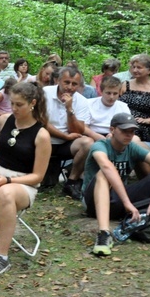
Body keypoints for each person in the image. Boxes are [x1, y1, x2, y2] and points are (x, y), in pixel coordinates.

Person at [0, 83, 51, 276]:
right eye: (12, 103)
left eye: (19, 105)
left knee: (5, 194)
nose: (14, 108)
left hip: (23, 181)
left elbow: (38, 176)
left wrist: (8, 181)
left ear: (32, 103)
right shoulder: (7, 120)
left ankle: (1, 257)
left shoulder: (42, 135)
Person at [82, 113, 150, 256]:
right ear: (112, 130)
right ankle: (104, 234)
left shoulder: (132, 147)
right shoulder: (100, 146)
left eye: (132, 131)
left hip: (119, 199)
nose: (129, 135)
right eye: (124, 131)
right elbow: (107, 167)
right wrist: (127, 202)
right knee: (103, 174)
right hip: (94, 201)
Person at [43, 66, 94, 200]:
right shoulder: (44, 93)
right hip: (43, 140)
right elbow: (41, 122)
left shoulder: (82, 101)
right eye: (66, 82)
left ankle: (71, 182)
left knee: (88, 143)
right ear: (58, 80)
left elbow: (77, 131)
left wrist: (69, 109)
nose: (69, 87)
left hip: (66, 143)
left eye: (74, 84)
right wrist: (64, 135)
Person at [119, 54, 150, 143]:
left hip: (145, 126)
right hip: (122, 122)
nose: (135, 70)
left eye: (139, 68)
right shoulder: (125, 84)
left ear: (149, 70)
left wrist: (147, 120)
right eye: (133, 67)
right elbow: (115, 104)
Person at [83, 76, 131, 142]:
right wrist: (96, 136)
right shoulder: (88, 103)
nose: (111, 97)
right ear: (101, 91)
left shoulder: (123, 106)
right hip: (92, 134)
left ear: (119, 93)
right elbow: (83, 126)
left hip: (115, 135)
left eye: (115, 93)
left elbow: (127, 126)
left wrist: (113, 134)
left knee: (135, 139)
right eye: (108, 93)